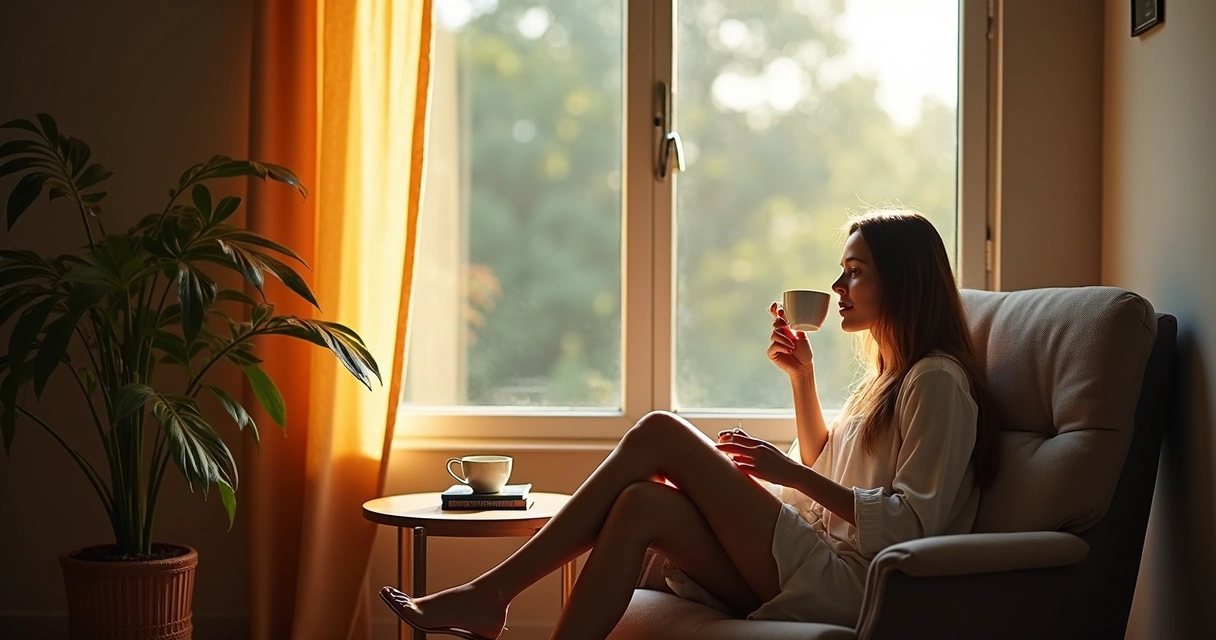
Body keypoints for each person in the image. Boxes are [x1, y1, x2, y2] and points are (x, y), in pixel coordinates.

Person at [380, 209, 1002, 640]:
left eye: (855, 271)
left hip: (855, 586)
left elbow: (912, 525)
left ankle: (493, 593)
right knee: (640, 507)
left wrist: (785, 475)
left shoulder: (936, 381)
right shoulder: (886, 380)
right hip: (817, 563)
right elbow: (825, 465)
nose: (837, 285)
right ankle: (498, 604)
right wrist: (803, 383)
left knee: (658, 432)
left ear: (903, 279)